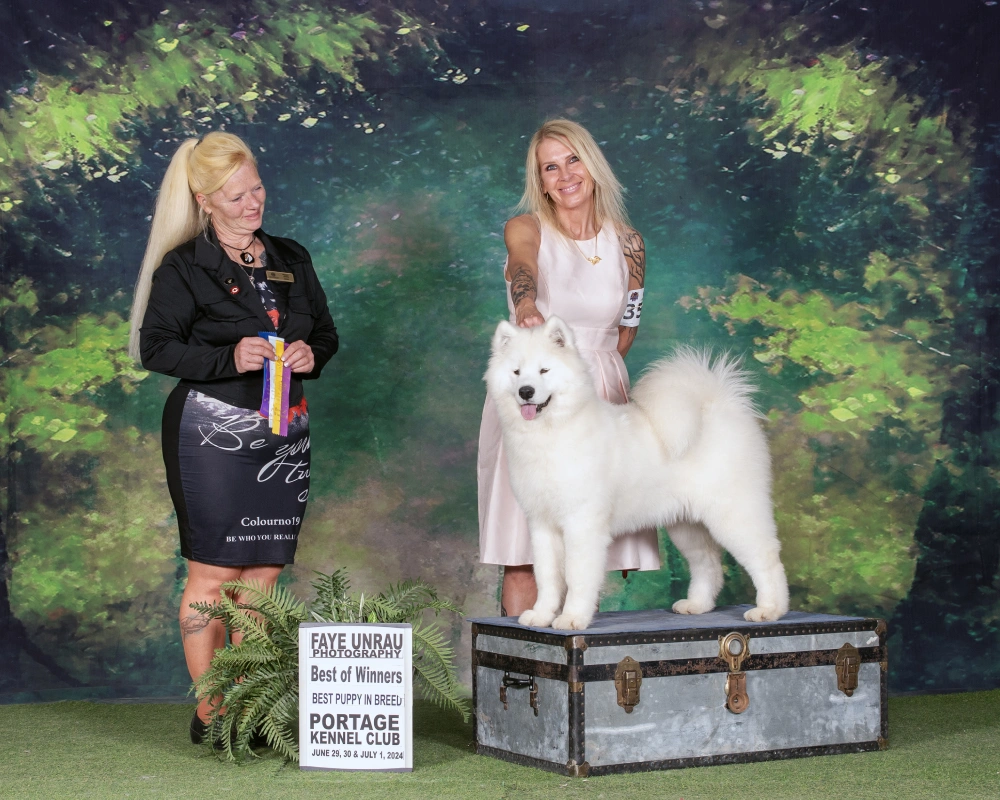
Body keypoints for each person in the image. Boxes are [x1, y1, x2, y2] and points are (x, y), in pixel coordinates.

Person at [128, 131, 338, 743]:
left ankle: (251, 708)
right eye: (236, 195)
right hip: (208, 432)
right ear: (204, 199)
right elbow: (155, 347)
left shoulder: (291, 256)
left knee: (264, 577)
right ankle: (211, 710)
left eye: (257, 188)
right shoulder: (184, 267)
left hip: (284, 429)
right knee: (214, 576)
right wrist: (232, 355)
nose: (253, 204)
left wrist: (308, 353)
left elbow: (325, 333)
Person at [478, 119, 660, 617]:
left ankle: (575, 677)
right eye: (549, 168)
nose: (564, 176)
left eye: (572, 160)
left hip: (600, 393)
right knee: (524, 552)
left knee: (592, 537)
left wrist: (595, 368)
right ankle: (521, 682)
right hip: (534, 397)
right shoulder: (527, 227)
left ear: (592, 164)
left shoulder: (630, 244)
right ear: (540, 181)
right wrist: (527, 308)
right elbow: (523, 268)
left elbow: (629, 323)